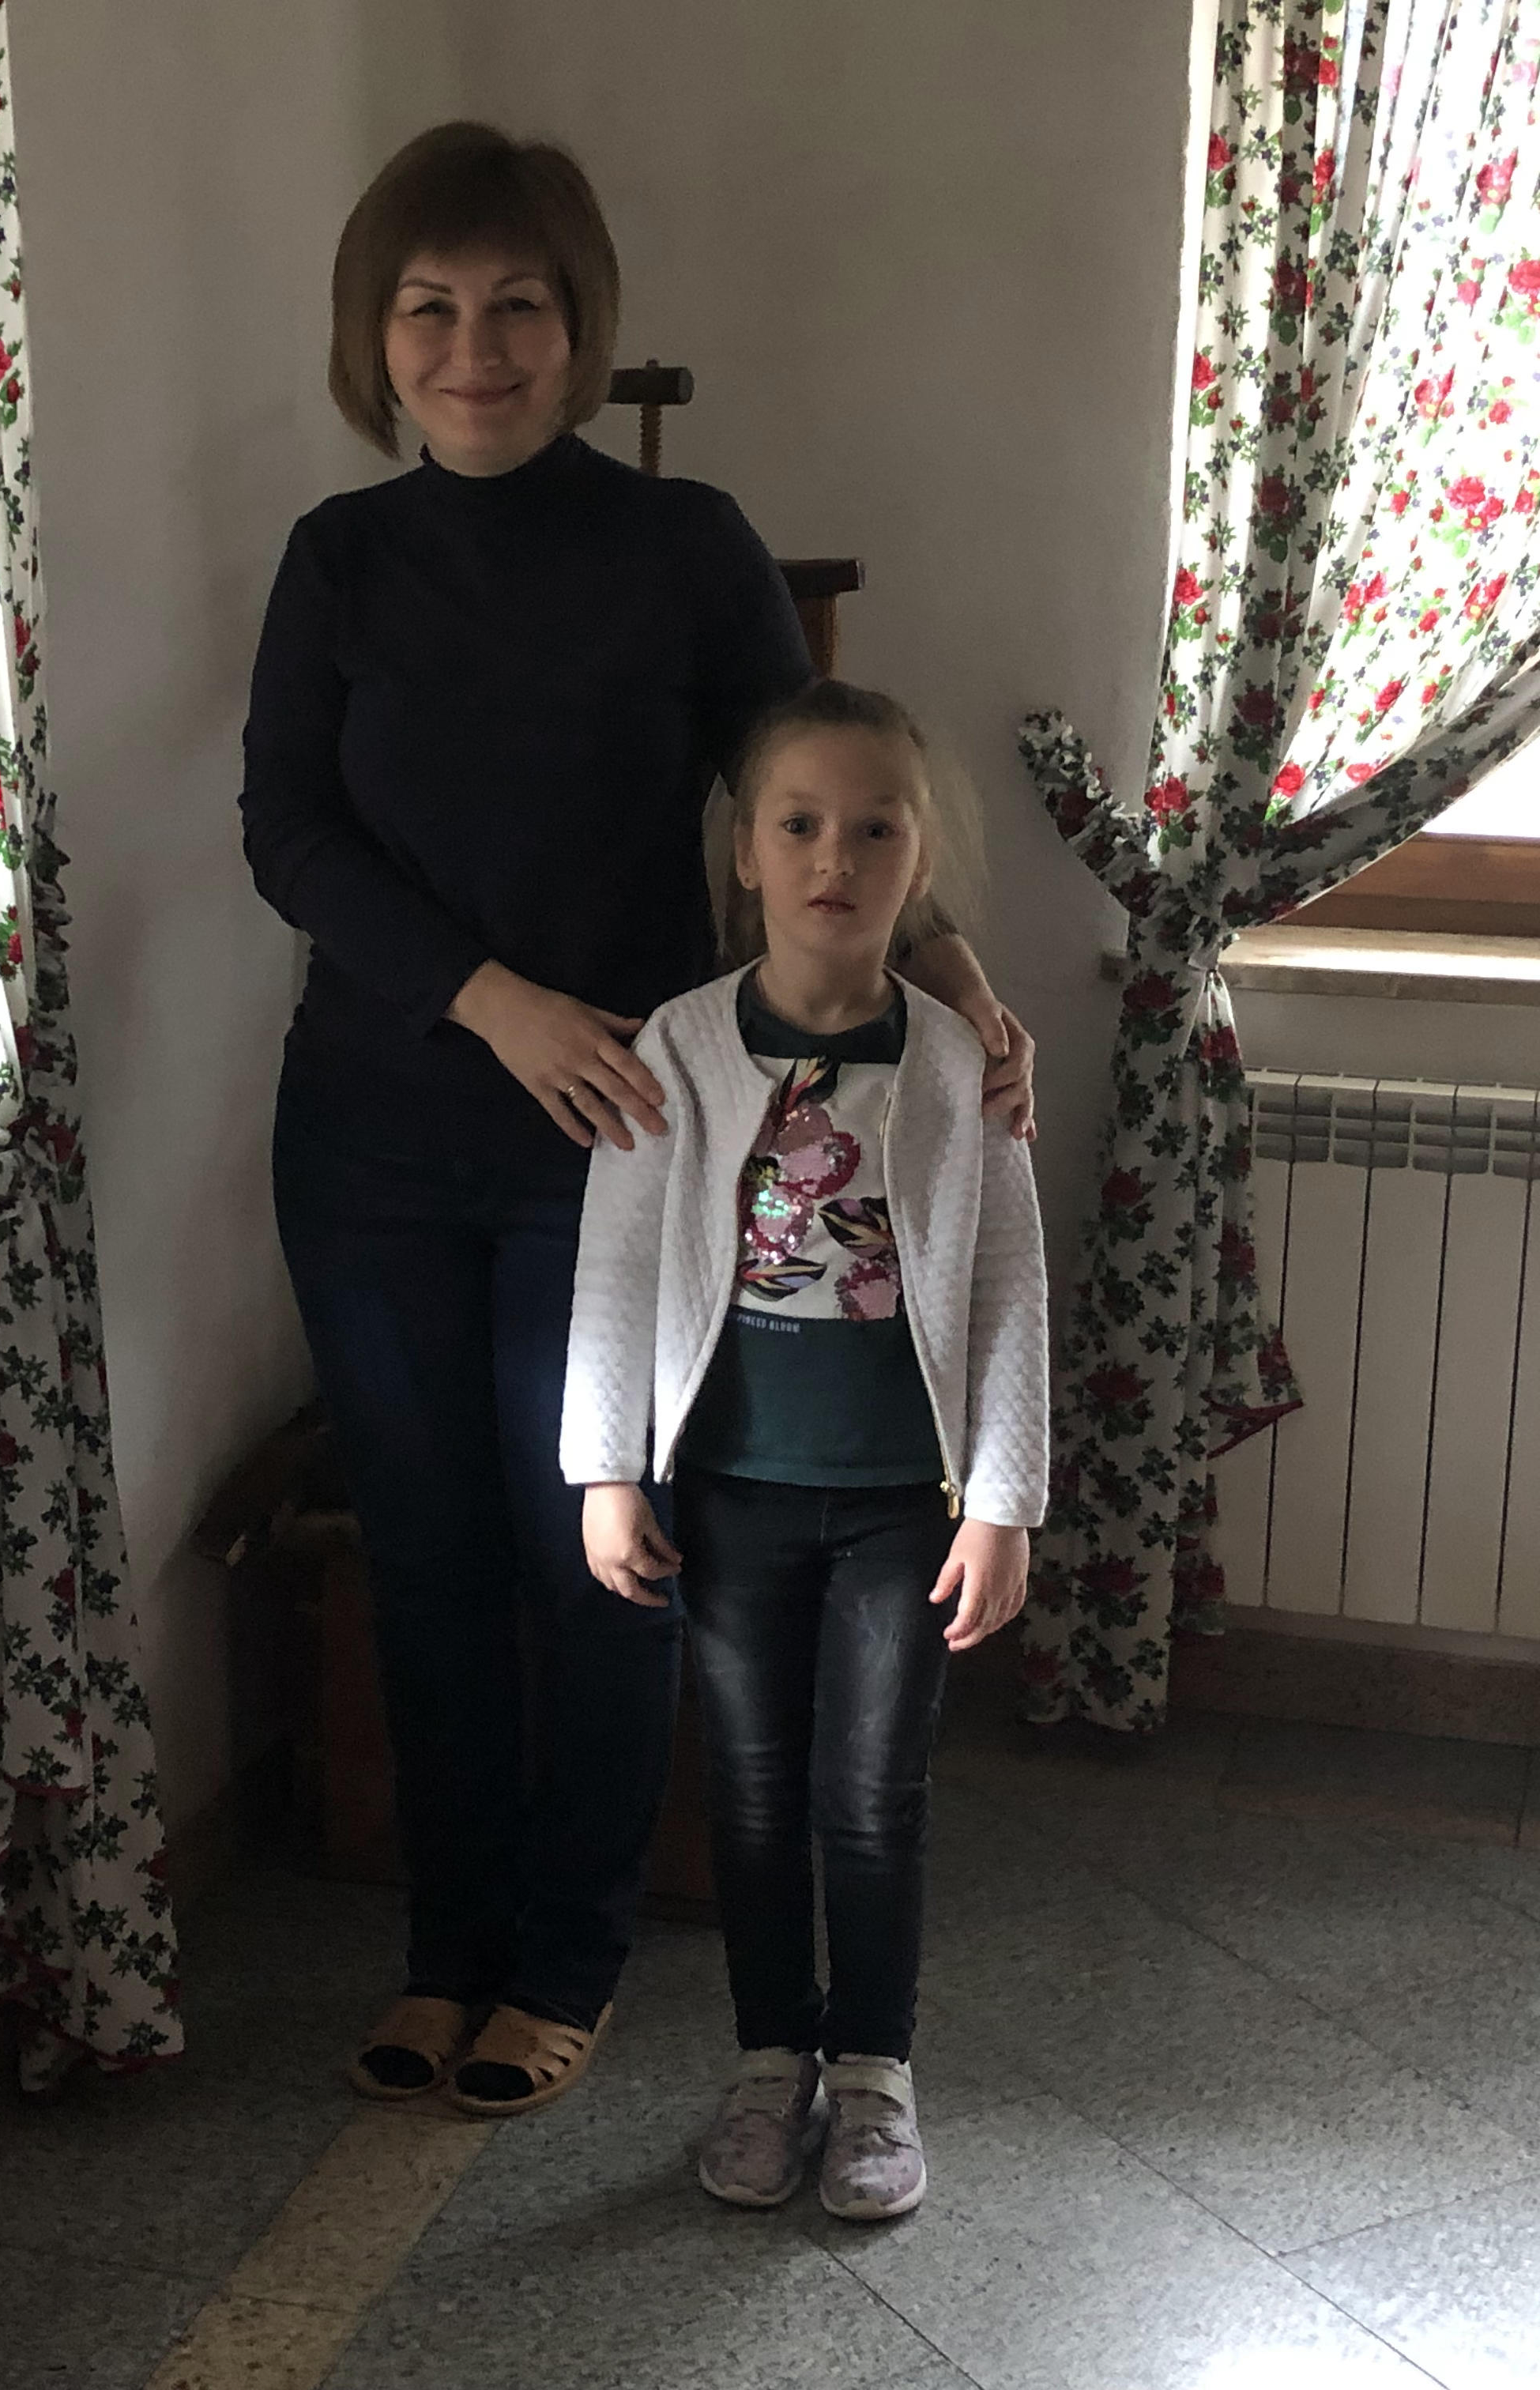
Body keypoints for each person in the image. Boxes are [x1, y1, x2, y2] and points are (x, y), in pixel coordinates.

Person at [240, 121, 1035, 2118]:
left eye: (518, 304)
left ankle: (569, 1955)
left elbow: (816, 789)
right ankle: (447, 1951)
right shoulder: (338, 558)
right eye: (430, 308)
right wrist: (489, 998)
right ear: (375, 334)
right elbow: (289, 832)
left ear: (580, 323)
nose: (474, 348)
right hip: (371, 1139)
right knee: (427, 1555)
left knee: (595, 1542)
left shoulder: (684, 548)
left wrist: (951, 973)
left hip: (624, 1149)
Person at [562, 680, 1049, 2220]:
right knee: (757, 1797)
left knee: (872, 1799)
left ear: (919, 861)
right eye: (799, 825)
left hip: (905, 1508)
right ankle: (772, 2062)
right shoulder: (681, 1049)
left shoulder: (961, 1062)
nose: (835, 857)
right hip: (734, 1500)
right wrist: (609, 1471)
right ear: (748, 854)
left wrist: (1006, 1503)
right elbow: (616, 1271)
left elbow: (1010, 1286)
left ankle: (876, 2077)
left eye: (875, 829)